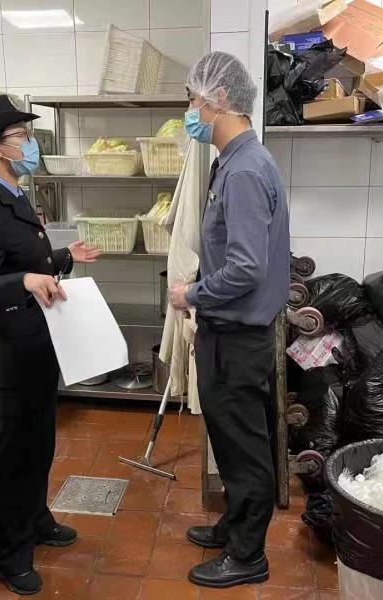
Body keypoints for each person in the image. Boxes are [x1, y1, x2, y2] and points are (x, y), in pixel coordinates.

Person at [0, 95, 100, 596]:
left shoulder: (14, 196)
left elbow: (23, 261)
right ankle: (9, 556)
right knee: (15, 457)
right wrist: (25, 281)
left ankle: (36, 520)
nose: (31, 144)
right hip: (4, 359)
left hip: (34, 348)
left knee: (40, 446)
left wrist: (62, 257)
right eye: (22, 137)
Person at [168, 52, 291, 589]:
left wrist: (190, 292)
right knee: (232, 436)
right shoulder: (235, 161)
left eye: (194, 100)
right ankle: (234, 524)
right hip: (229, 331)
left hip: (238, 336)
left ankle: (248, 555)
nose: (191, 111)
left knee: (244, 447)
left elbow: (244, 267)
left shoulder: (243, 170)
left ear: (219, 100)